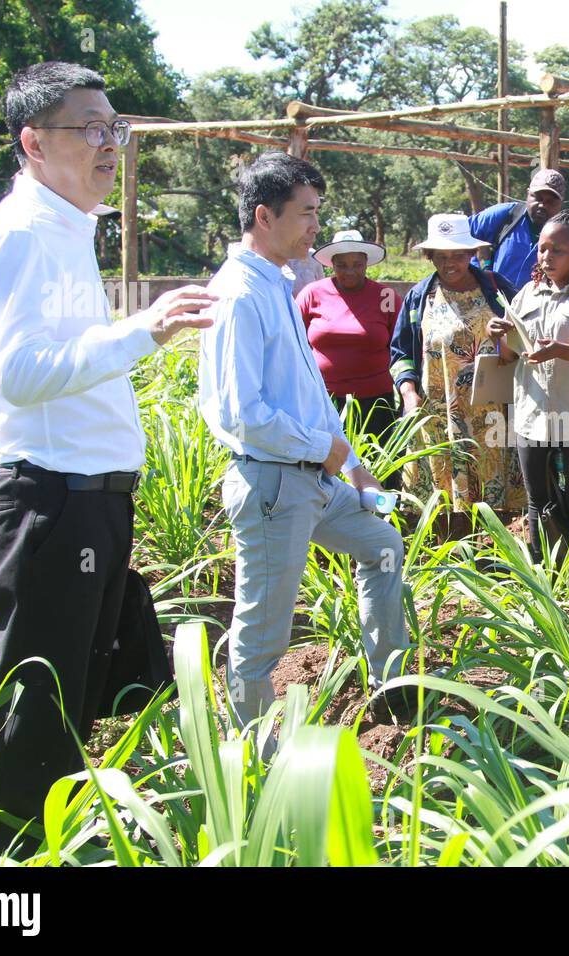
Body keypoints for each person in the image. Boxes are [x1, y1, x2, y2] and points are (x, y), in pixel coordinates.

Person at [0, 62, 217, 853]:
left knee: (72, 700)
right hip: (52, 499)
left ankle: (60, 842)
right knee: (38, 713)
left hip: (87, 498)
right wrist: (145, 330)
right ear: (34, 142)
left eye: (116, 128)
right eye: (90, 129)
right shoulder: (20, 237)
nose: (111, 144)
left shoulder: (64, 232)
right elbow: (20, 373)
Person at [199, 152, 415, 739]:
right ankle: (254, 754)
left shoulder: (282, 283)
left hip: (313, 481)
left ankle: (390, 689)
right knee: (263, 632)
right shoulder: (240, 295)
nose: (316, 226)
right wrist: (324, 450)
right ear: (265, 216)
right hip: (273, 485)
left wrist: (356, 469)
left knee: (382, 544)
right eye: (308, 213)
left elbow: (310, 394)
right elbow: (242, 414)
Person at [487, 211, 569, 561]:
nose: (546, 256)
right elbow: (508, 357)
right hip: (534, 417)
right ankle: (545, 578)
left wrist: (562, 351)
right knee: (539, 503)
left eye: (556, 250)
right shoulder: (526, 295)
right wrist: (498, 336)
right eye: (542, 249)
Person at [390, 213, 526, 513]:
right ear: (429, 257)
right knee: (444, 501)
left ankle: (494, 555)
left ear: (471, 254)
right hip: (439, 415)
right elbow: (401, 353)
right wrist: (409, 394)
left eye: (458, 255)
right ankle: (449, 551)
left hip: (491, 413)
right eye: (441, 257)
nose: (450, 263)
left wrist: (506, 338)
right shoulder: (419, 297)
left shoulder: (496, 289)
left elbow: (524, 336)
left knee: (495, 495)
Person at [295, 229, 402, 446]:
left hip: (375, 402)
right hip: (323, 400)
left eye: (357, 264)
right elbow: (294, 343)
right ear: (332, 264)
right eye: (342, 265)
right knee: (328, 468)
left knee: (377, 469)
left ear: (366, 263)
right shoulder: (311, 294)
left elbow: (401, 346)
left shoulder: (386, 297)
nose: (350, 271)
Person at [469, 168, 565, 291]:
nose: (542, 205)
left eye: (550, 201)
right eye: (538, 198)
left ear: (561, 203)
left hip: (539, 308)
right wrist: (477, 274)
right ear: (528, 194)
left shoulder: (565, 236)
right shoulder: (506, 216)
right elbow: (462, 234)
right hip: (496, 304)